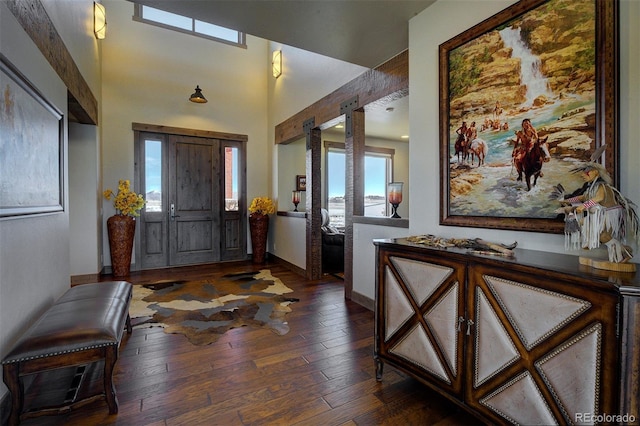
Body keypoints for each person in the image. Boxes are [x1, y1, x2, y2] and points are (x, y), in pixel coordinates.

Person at [553, 146, 639, 263]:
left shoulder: (601, 186)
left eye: (586, 172)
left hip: (610, 213)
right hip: (603, 213)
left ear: (596, 172)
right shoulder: (591, 187)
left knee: (601, 235)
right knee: (597, 232)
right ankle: (625, 252)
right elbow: (583, 197)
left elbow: (600, 197)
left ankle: (618, 258)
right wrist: (567, 200)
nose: (583, 175)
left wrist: (584, 206)